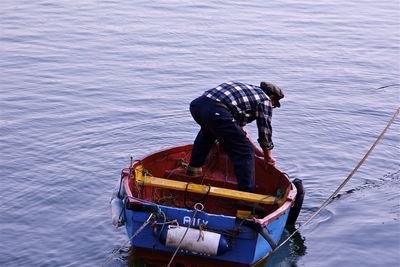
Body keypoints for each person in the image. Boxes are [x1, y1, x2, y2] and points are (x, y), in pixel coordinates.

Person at [186, 81, 284, 193]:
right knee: (245, 152)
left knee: (208, 132)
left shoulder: (247, 91)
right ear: (271, 97)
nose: (272, 107)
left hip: (197, 105)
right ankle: (246, 197)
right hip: (217, 112)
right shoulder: (265, 100)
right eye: (274, 104)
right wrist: (268, 156)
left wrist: (258, 152)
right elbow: (265, 132)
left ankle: (193, 170)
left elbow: (240, 131)